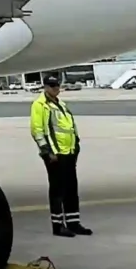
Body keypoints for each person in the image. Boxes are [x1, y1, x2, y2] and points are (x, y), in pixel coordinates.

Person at [29, 73, 90, 238]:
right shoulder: (40, 105)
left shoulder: (60, 104)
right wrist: (47, 151)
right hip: (55, 154)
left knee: (71, 189)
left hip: (68, 152)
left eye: (57, 86)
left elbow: (69, 126)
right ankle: (58, 225)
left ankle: (73, 222)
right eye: (52, 86)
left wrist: (76, 145)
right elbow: (37, 130)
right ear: (46, 87)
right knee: (58, 190)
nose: (56, 89)